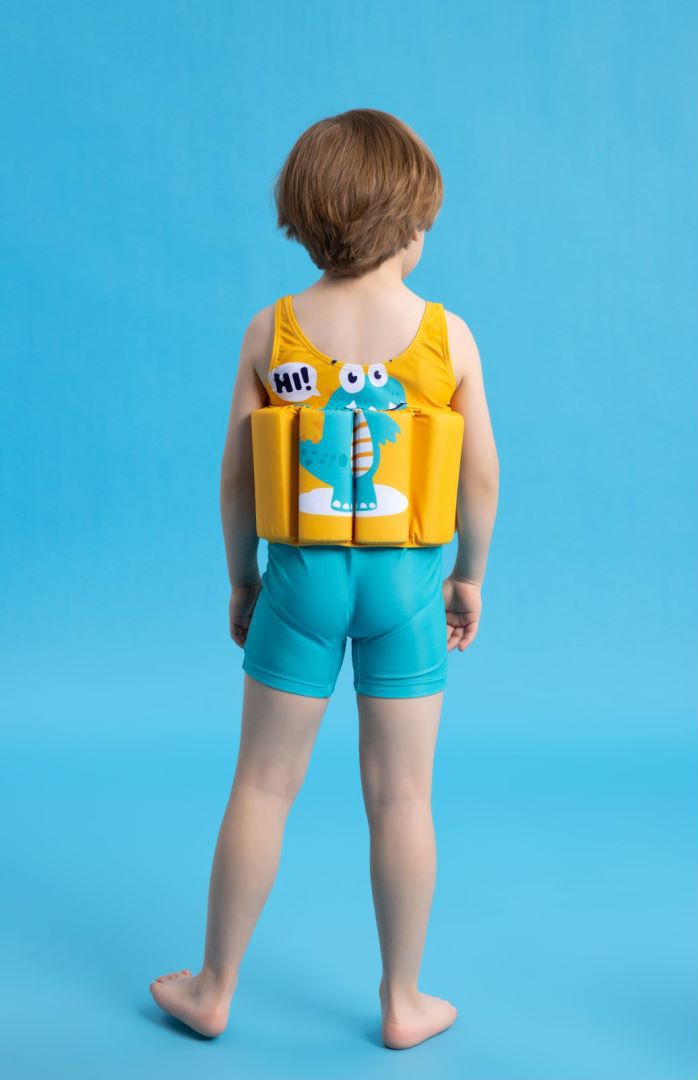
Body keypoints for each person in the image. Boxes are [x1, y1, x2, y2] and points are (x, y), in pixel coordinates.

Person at [149, 108, 499, 1050]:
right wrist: (468, 576)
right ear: (412, 227)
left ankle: (214, 988)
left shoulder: (271, 332)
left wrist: (242, 580)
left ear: (305, 221)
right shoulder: (449, 336)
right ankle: (404, 1000)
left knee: (263, 785)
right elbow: (480, 477)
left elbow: (236, 475)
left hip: (299, 581)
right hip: (408, 587)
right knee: (403, 798)